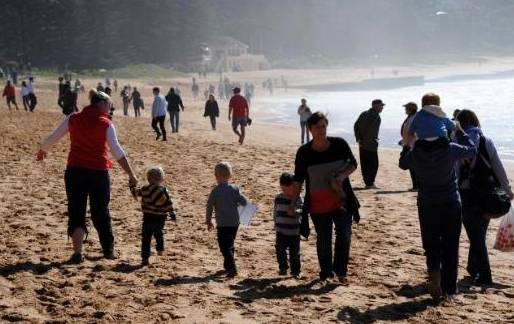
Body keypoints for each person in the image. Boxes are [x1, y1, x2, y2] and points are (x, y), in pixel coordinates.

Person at [36, 90, 137, 263]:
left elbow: (53, 137)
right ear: (102, 104)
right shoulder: (106, 123)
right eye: (109, 106)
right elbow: (117, 152)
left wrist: (43, 150)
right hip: (98, 173)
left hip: (75, 171)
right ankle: (108, 250)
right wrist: (131, 174)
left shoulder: (73, 118)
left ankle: (77, 252)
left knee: (76, 210)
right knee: (100, 211)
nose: (110, 109)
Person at [399, 99, 478, 301]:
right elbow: (472, 149)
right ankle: (450, 290)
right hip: (451, 202)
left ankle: (434, 272)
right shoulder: (451, 148)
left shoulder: (417, 151)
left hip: (427, 204)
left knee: (431, 244)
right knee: (451, 245)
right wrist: (459, 130)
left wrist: (408, 142)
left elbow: (402, 163)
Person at [290, 112, 360, 283]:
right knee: (324, 239)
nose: (321, 130)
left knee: (344, 234)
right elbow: (298, 179)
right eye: (317, 127)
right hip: (317, 204)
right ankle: (326, 272)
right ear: (310, 129)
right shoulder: (304, 152)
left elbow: (353, 163)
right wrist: (293, 201)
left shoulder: (339, 144)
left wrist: (342, 175)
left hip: (342, 199)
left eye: (323, 126)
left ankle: (341, 271)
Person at [456, 109, 514, 286]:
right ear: (475, 121)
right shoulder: (485, 141)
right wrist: (508, 190)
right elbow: (498, 168)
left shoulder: (455, 142)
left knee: (476, 236)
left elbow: (455, 172)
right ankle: (474, 270)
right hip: (488, 194)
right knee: (478, 233)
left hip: (466, 195)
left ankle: (485, 276)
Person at [206, 161, 248, 277]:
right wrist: (239, 195)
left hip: (223, 224)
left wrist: (208, 221)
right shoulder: (234, 189)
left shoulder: (215, 191)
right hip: (234, 223)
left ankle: (232, 267)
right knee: (230, 244)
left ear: (216, 176)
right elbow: (244, 202)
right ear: (230, 176)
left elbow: (209, 206)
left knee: (224, 246)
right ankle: (227, 267)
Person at [130, 167, 177, 266]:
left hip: (148, 217)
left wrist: (132, 184)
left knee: (146, 238)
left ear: (148, 179)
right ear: (162, 178)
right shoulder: (164, 190)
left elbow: (135, 192)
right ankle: (160, 249)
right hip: (160, 218)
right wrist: (172, 214)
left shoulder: (145, 189)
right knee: (158, 233)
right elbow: (169, 203)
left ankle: (145, 258)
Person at [274, 172, 303, 277]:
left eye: (289, 189)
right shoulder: (278, 198)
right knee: (280, 250)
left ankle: (296, 271)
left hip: (294, 231)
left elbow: (302, 210)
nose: (286, 192)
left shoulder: (297, 198)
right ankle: (283, 268)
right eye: (283, 189)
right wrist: (275, 223)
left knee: (295, 253)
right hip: (281, 230)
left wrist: (296, 212)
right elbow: (275, 212)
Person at [354, 99, 384, 189]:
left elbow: (358, 127)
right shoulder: (369, 115)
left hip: (369, 143)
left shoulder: (373, 114)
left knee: (370, 164)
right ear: (375, 105)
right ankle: (369, 183)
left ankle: (369, 183)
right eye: (381, 105)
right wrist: (359, 139)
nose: (382, 107)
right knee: (370, 164)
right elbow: (357, 127)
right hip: (367, 144)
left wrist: (360, 139)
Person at [400, 102, 419, 190]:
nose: (405, 109)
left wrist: (408, 144)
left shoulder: (413, 118)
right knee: (412, 166)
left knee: (413, 166)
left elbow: (414, 133)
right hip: (410, 144)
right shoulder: (411, 117)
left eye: (406, 108)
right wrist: (403, 140)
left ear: (411, 109)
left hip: (412, 146)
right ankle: (415, 186)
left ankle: (416, 186)